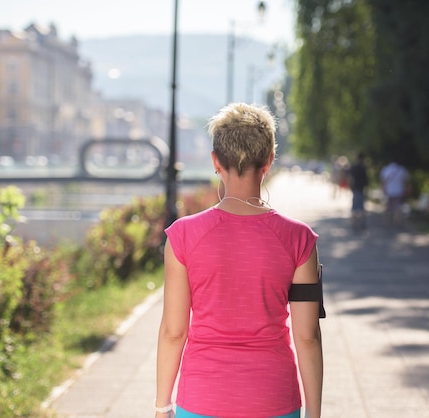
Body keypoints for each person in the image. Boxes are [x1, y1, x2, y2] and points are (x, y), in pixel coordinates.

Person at [155, 103, 323, 418]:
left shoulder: (182, 237)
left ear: (216, 162)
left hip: (202, 400)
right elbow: (307, 336)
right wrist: (314, 413)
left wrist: (163, 406)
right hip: (274, 399)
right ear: (269, 161)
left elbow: (173, 331)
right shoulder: (299, 240)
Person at [379, 159, 410, 226]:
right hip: (399, 191)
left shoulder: (386, 169)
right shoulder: (401, 169)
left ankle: (388, 222)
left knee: (388, 208)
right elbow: (407, 180)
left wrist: (382, 189)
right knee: (398, 207)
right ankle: (398, 221)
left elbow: (383, 181)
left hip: (389, 191)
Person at [349, 152, 369, 231]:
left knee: (354, 208)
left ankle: (354, 224)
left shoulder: (354, 167)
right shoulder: (363, 167)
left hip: (355, 188)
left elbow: (350, 178)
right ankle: (362, 224)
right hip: (361, 189)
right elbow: (366, 180)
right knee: (361, 208)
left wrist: (351, 187)